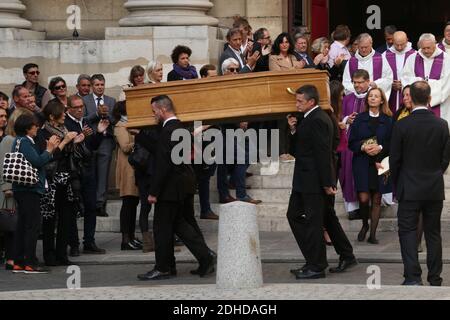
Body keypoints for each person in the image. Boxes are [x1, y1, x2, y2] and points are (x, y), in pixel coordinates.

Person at [137, 95, 215, 281]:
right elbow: (161, 150)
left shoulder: (168, 131)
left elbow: (164, 164)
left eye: (154, 111)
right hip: (182, 186)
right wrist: (139, 135)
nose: (153, 114)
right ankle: (205, 257)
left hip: (169, 188)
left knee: (162, 228)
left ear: (162, 110)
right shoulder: (179, 128)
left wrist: (154, 192)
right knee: (180, 226)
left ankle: (163, 267)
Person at [288, 85, 356, 280]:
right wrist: (293, 129)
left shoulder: (317, 119)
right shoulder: (309, 118)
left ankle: (316, 265)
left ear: (312, 102)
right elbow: (298, 150)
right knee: (323, 217)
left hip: (313, 181)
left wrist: (327, 182)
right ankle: (345, 255)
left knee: (310, 221)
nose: (296, 104)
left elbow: (323, 153)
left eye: (300, 101)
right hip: (306, 179)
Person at [390, 81, 450, 286]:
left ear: (411, 100)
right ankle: (435, 277)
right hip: (433, 187)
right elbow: (445, 158)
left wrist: (398, 184)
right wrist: (434, 174)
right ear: (430, 99)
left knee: (407, 232)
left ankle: (413, 277)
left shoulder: (401, 125)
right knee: (433, 233)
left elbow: (395, 160)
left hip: (409, 186)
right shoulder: (442, 125)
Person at [38, 100, 85, 266]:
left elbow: (71, 155)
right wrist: (65, 142)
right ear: (52, 116)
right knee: (50, 219)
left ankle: (62, 254)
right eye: (61, 112)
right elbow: (48, 157)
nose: (64, 114)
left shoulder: (64, 130)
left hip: (68, 178)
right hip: (52, 180)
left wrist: (75, 142)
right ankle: (49, 255)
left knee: (67, 218)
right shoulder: (43, 134)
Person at [11, 113, 59, 273]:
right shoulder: (24, 142)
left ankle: (19, 261)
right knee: (32, 226)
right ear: (27, 128)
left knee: (22, 225)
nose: (37, 128)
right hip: (29, 189)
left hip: (21, 189)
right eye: (34, 125)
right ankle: (30, 262)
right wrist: (49, 149)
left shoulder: (18, 141)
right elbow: (38, 161)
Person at [64, 95, 108, 255]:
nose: (80, 109)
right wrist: (79, 136)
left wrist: (99, 133)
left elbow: (93, 145)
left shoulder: (86, 121)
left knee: (91, 206)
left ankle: (89, 242)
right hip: (72, 170)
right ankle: (73, 244)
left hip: (88, 169)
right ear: (69, 109)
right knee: (72, 208)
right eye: (76, 107)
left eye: (81, 106)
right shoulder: (65, 123)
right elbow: (65, 145)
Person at [349, 88, 393, 244]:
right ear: (367, 100)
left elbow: (392, 143)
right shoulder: (359, 119)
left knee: (376, 198)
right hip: (361, 161)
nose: (373, 98)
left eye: (376, 96)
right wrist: (363, 147)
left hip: (381, 162)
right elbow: (351, 143)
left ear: (382, 101)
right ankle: (364, 225)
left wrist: (380, 148)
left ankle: (373, 234)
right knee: (363, 197)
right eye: (370, 96)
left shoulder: (388, 120)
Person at [0, 108, 33, 270]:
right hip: (9, 190)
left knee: (16, 224)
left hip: (18, 187)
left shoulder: (20, 140)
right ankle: (11, 258)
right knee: (11, 224)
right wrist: (7, 187)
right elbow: (4, 165)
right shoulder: (8, 140)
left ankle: (15, 257)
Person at [339, 70, 372, 220]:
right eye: (355, 82)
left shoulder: (374, 96)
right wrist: (347, 120)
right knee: (348, 171)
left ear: (367, 81)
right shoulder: (347, 99)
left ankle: (368, 206)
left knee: (367, 173)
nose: (357, 85)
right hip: (350, 142)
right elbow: (340, 117)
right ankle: (353, 208)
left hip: (369, 142)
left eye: (360, 82)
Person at [83, 74, 116, 217]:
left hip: (105, 141)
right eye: (97, 85)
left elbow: (116, 120)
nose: (100, 87)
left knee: (103, 174)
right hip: (90, 141)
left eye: (102, 84)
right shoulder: (84, 100)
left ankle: (100, 204)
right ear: (92, 86)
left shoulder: (111, 100)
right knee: (90, 174)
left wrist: (107, 114)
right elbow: (83, 120)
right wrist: (97, 113)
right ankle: (88, 204)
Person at [270, 32, 304, 163]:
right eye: (282, 42)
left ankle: (290, 150)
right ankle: (281, 151)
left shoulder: (292, 57)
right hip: (279, 94)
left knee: (293, 123)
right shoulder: (273, 58)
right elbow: (277, 75)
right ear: (278, 44)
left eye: (287, 42)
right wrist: (296, 67)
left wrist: (295, 67)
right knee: (281, 123)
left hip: (293, 95)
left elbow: (299, 74)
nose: (284, 44)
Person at [113, 101, 142, 250]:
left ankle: (131, 236)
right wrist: (139, 137)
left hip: (134, 168)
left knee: (133, 204)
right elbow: (125, 147)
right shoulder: (120, 126)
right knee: (128, 204)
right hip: (127, 169)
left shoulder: (130, 123)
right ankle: (125, 239)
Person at [402, 33, 450, 120]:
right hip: (417, 104)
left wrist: (427, 84)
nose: (426, 51)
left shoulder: (446, 59)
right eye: (423, 48)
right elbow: (406, 78)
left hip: (440, 104)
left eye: (429, 48)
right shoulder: (412, 58)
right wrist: (420, 81)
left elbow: (447, 83)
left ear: (435, 44)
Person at [342, 33, 393, 99]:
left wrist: (376, 84)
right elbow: (346, 82)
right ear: (358, 45)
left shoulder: (381, 59)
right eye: (361, 47)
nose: (363, 50)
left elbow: (388, 78)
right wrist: (358, 89)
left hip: (374, 98)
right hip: (356, 98)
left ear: (371, 44)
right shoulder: (351, 61)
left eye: (366, 47)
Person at [383, 31, 416, 114]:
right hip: (391, 95)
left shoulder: (415, 55)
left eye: (402, 44)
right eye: (397, 44)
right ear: (392, 41)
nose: (400, 47)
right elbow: (381, 76)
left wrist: (404, 84)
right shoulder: (384, 55)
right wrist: (390, 84)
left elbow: (418, 75)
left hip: (410, 94)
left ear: (407, 40)